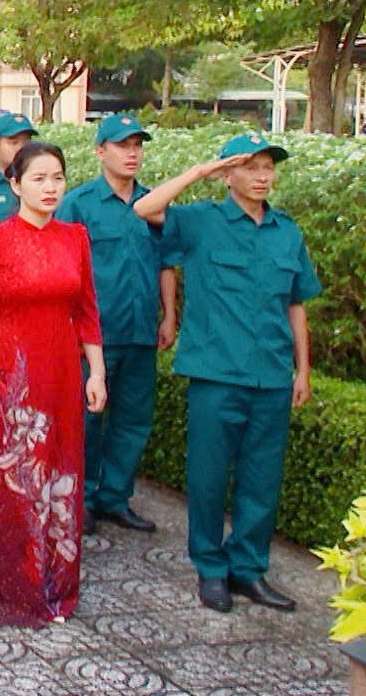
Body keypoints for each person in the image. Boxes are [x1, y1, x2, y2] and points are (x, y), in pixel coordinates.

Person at [134, 132, 320, 615]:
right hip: (216, 373)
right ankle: (211, 568)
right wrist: (200, 172)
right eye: (250, 167)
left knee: (262, 479)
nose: (262, 177)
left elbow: (296, 304)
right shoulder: (202, 221)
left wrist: (302, 369)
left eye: (268, 167)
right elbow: (144, 209)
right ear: (228, 174)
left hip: (271, 375)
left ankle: (249, 569)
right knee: (209, 477)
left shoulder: (286, 232)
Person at [0, 142, 105, 628]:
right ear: (15, 184)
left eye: (57, 178)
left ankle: (56, 588)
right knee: (14, 481)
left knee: (62, 474)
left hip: (62, 372)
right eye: (39, 178)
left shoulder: (75, 238)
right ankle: (10, 587)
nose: (50, 188)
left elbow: (87, 310)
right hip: (12, 375)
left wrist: (96, 372)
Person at [57, 114, 176, 535]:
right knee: (87, 419)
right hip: (95, 335)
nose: (132, 153)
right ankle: (82, 498)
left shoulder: (153, 203)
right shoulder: (79, 203)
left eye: (137, 146)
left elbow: (166, 262)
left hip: (140, 329)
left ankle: (115, 497)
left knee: (133, 418)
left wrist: (169, 315)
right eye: (123, 145)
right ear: (100, 151)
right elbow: (63, 268)